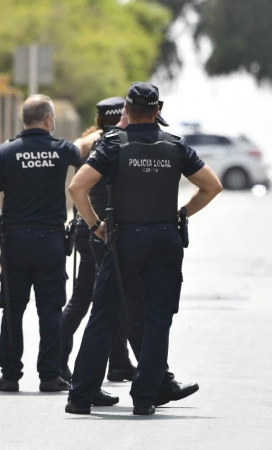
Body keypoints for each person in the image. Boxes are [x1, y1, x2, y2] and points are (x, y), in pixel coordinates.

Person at [66, 82, 223, 416]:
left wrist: (95, 226)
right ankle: (144, 398)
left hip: (125, 241)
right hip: (166, 239)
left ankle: (80, 398)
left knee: (103, 314)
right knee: (157, 319)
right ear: (157, 110)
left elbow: (77, 186)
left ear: (127, 110)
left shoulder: (113, 145)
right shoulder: (175, 146)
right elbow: (213, 186)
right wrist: (182, 214)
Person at [0, 94, 102, 395]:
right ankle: (49, 376)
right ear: (50, 121)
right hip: (51, 242)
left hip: (15, 242)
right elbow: (82, 148)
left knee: (13, 310)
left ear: (24, 120)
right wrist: (102, 130)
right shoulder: (60, 150)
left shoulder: (6, 152)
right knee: (50, 309)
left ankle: (11, 376)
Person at [61, 98, 135, 383]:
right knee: (88, 299)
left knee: (106, 299)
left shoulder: (90, 142)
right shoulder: (116, 144)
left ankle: (118, 363)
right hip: (98, 228)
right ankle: (55, 362)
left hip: (89, 227)